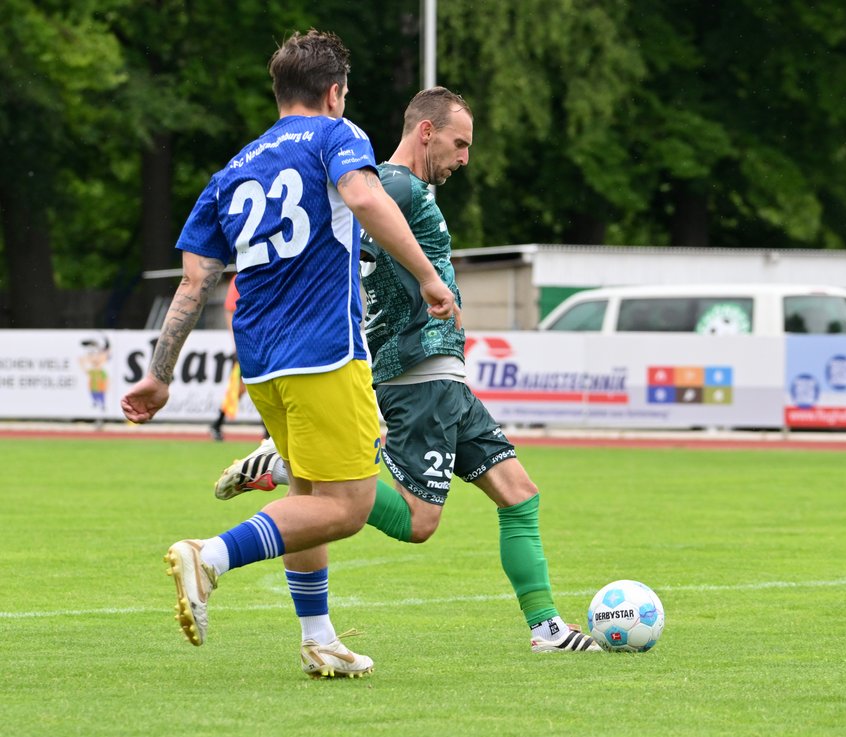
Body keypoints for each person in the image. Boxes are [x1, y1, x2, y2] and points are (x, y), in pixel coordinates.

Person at [120, 30, 458, 679]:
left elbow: (194, 282)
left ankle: (318, 638)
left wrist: (159, 377)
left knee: (308, 492)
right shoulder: (337, 135)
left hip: (262, 360)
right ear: (334, 92)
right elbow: (364, 197)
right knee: (348, 507)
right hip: (324, 350)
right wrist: (427, 276)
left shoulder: (232, 171)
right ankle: (209, 557)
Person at [214, 86, 600, 654]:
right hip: (417, 371)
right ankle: (284, 465)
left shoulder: (398, 188)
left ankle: (547, 631)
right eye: (459, 143)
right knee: (419, 523)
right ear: (426, 131)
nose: (465, 157)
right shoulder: (392, 184)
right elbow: (350, 227)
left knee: (520, 494)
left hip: (443, 374)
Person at [209, 276, 270, 442]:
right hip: (249, 345)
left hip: (263, 343)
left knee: (251, 388)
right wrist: (237, 340)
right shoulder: (240, 278)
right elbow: (230, 309)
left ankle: (217, 424)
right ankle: (218, 424)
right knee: (247, 388)